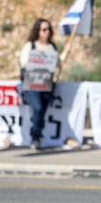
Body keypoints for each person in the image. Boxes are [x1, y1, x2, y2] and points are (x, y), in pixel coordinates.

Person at [19, 18, 61, 150]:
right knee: (37, 108)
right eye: (44, 29)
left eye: (49, 29)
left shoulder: (52, 47)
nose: (47, 32)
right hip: (32, 84)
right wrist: (40, 59)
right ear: (38, 31)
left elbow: (58, 64)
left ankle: (37, 136)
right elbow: (24, 63)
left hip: (47, 84)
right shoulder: (30, 46)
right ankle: (35, 136)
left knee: (42, 111)